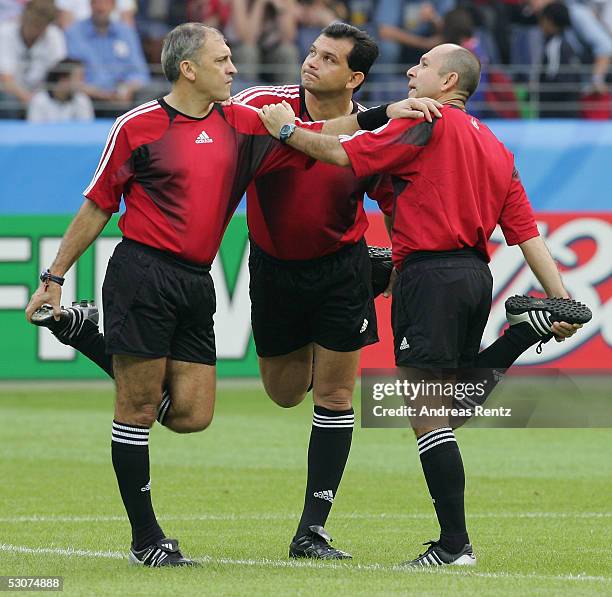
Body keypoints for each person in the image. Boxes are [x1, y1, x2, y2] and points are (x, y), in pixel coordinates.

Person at [26, 21, 431, 566]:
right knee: (150, 405)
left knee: (193, 414)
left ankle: (310, 532)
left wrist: (387, 116)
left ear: (355, 75)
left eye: (325, 56)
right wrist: (53, 277)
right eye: (223, 60)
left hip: (214, 278)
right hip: (151, 271)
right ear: (189, 68)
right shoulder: (147, 124)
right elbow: (99, 203)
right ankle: (146, 541)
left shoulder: (241, 121)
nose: (235, 69)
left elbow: (337, 136)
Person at [257, 42, 590, 566]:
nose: (412, 71)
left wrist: (284, 130)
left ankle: (455, 544)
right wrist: (562, 299)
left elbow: (343, 153)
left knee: (429, 414)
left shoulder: (424, 122)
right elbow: (525, 230)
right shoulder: (496, 145)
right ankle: (522, 335)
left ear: (448, 84)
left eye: (424, 66)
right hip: (474, 277)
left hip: (428, 275)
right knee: (443, 410)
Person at [64, 0, 151, 115]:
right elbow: (70, 75)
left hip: (124, 99)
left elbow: (140, 73)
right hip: (88, 99)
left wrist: (126, 89)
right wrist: (98, 93)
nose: (101, 7)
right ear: (90, 4)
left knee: (154, 94)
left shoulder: (126, 32)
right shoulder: (74, 33)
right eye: (97, 2)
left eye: (106, 2)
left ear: (114, 5)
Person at [0, 0, 66, 117]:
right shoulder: (5, 32)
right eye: (33, 23)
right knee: (8, 100)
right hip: (13, 94)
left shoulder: (54, 36)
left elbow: (57, 76)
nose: (35, 29)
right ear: (24, 18)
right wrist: (29, 99)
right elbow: (6, 79)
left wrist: (40, 100)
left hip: (42, 96)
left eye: (41, 25)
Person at [27, 58, 94, 122]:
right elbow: (35, 131)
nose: (83, 83)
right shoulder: (39, 101)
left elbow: (86, 131)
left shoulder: (82, 100)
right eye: (80, 78)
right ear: (63, 79)